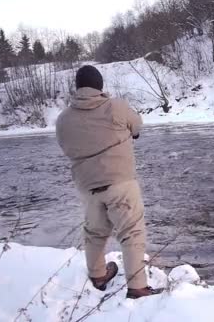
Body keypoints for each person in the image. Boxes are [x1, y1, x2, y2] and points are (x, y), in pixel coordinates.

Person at [56, 65, 162, 299]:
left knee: (94, 232)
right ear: (99, 85)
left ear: (77, 87)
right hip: (120, 183)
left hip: (87, 187)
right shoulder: (115, 106)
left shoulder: (63, 119)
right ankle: (138, 288)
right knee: (131, 232)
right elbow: (137, 126)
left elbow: (65, 147)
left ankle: (98, 274)